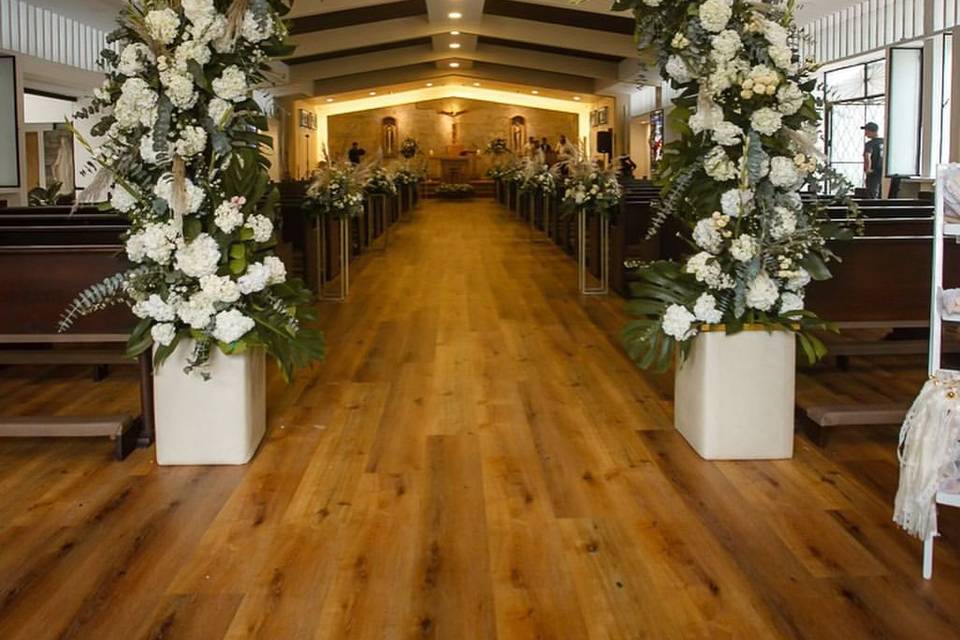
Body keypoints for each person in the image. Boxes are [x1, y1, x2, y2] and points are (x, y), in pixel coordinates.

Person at [862, 122, 884, 198]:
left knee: (872, 195)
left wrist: (868, 169)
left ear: (872, 131)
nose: (865, 134)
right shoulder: (884, 142)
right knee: (882, 194)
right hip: (883, 172)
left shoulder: (870, 144)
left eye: (866, 131)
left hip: (874, 172)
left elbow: (867, 155)